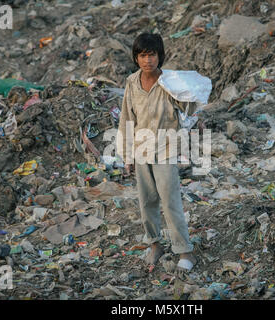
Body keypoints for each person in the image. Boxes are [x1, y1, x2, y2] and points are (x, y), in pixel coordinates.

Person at [116, 33, 197, 272]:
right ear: (136, 58)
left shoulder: (169, 82)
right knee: (147, 201)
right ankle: (154, 245)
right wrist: (127, 155)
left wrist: (191, 94)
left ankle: (185, 252)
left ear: (159, 56)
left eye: (152, 55)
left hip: (165, 148)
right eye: (142, 55)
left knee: (170, 201)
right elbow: (127, 119)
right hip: (141, 150)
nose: (147, 60)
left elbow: (188, 109)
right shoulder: (132, 82)